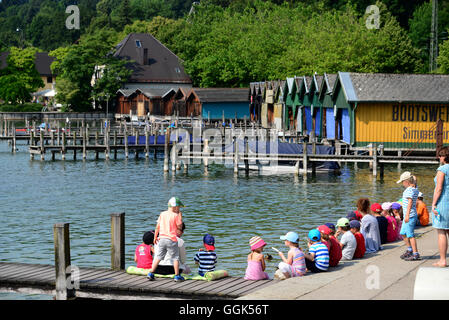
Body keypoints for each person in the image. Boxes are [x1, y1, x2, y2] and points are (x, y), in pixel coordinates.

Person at [147, 197, 185, 282]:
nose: (179, 209)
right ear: (175, 207)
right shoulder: (176, 215)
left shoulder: (162, 214)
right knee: (175, 257)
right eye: (179, 207)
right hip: (171, 239)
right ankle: (177, 275)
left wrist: (155, 237)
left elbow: (157, 227)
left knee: (158, 257)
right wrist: (180, 217)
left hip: (161, 239)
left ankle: (151, 273)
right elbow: (180, 227)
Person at [431, 146, 449, 267]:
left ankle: (442, 260)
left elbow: (439, 188)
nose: (439, 157)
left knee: (441, 231)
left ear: (444, 157)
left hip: (443, 203)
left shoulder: (442, 169)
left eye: (440, 155)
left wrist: (433, 204)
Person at [397, 171, 421, 261]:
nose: (402, 184)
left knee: (410, 235)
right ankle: (409, 249)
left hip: (410, 215)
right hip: (410, 215)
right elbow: (414, 179)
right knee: (403, 233)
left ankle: (415, 253)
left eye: (403, 182)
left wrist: (406, 215)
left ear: (406, 181)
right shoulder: (415, 188)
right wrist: (411, 176)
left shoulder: (409, 190)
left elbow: (410, 202)